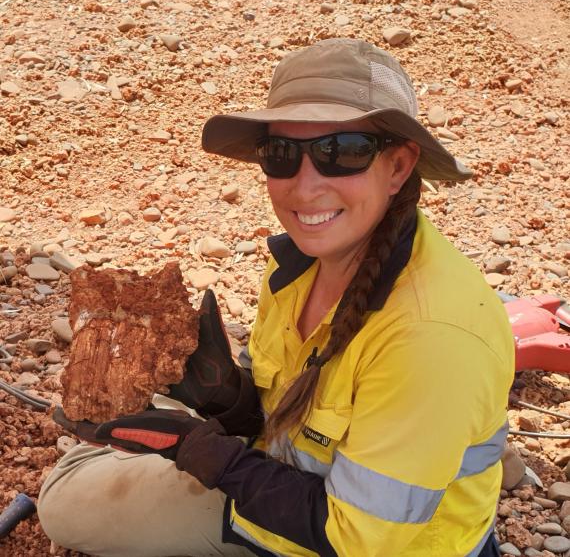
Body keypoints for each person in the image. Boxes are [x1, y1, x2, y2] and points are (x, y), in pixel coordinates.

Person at [38, 38, 514, 557]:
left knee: (64, 493)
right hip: (300, 487)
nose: (304, 187)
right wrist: (231, 402)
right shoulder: (299, 266)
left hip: (363, 542)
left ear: (399, 167)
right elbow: (293, 426)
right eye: (281, 154)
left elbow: (353, 538)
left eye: (343, 152)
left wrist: (202, 453)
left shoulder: (431, 337)